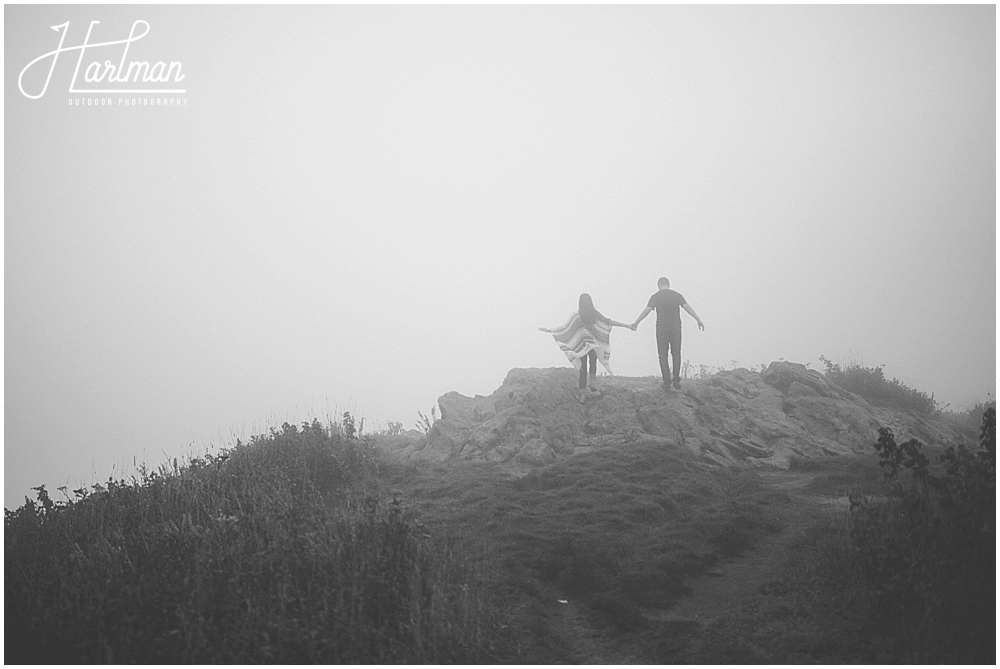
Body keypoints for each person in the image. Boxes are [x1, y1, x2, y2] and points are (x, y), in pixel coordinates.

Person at [540, 293, 634, 400]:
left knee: (583, 367)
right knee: (593, 361)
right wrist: (626, 325)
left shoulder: (576, 315)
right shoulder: (593, 313)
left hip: (582, 345)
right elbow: (608, 321)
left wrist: (550, 330)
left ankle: (582, 394)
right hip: (593, 344)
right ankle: (592, 383)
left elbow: (565, 328)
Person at [632, 277, 704, 389]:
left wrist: (636, 322)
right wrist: (698, 319)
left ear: (658, 285)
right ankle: (676, 380)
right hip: (676, 327)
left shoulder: (655, 296)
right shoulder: (676, 295)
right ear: (668, 285)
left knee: (662, 355)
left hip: (661, 328)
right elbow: (686, 307)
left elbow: (647, 310)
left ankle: (666, 381)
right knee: (676, 353)